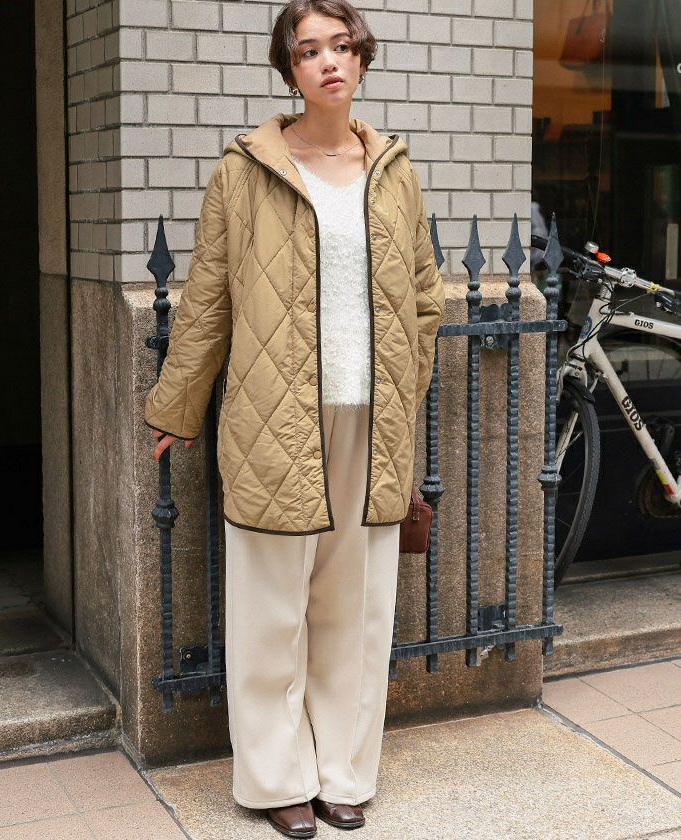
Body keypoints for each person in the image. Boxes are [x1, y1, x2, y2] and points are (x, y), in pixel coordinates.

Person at [144, 1, 445, 836]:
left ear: (362, 59)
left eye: (341, 46)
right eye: (309, 50)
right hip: (272, 417)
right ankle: (278, 779)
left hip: (371, 420)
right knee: (270, 612)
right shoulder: (244, 170)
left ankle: (343, 772)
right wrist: (178, 404)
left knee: (356, 610)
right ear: (289, 71)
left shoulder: (394, 170)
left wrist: (405, 386)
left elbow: (425, 296)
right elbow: (207, 297)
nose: (328, 62)